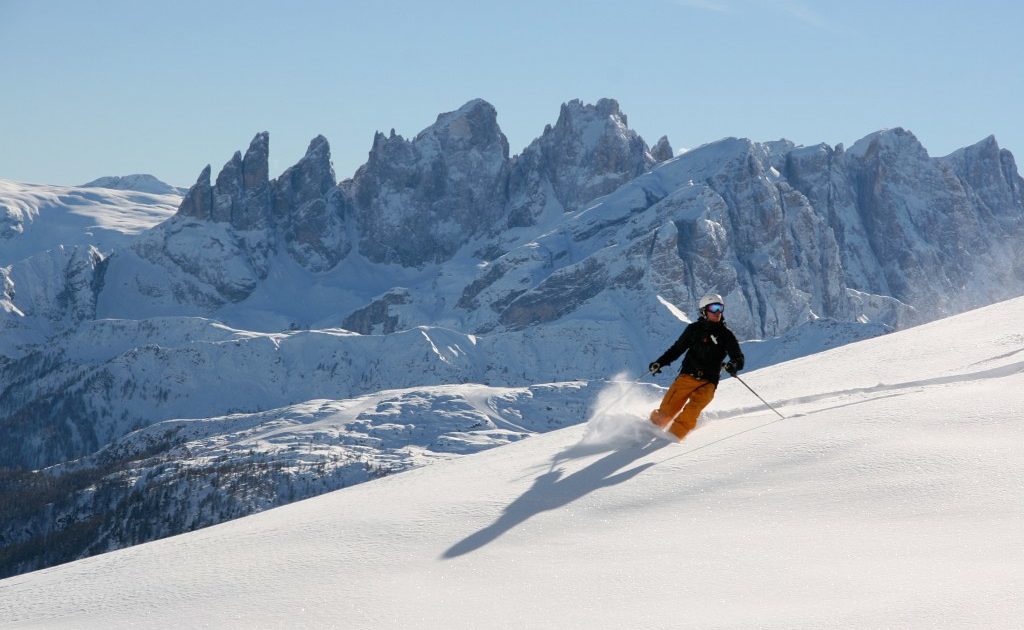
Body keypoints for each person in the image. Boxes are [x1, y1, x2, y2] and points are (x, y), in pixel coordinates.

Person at [647, 293, 744, 441]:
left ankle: (671, 439)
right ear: (704, 311)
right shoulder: (694, 330)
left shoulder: (726, 335)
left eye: (720, 308)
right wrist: (660, 362)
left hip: (708, 382)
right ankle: (645, 434)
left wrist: (733, 365)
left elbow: (738, 357)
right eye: (714, 308)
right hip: (687, 376)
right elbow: (677, 349)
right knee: (666, 412)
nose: (718, 312)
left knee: (691, 411)